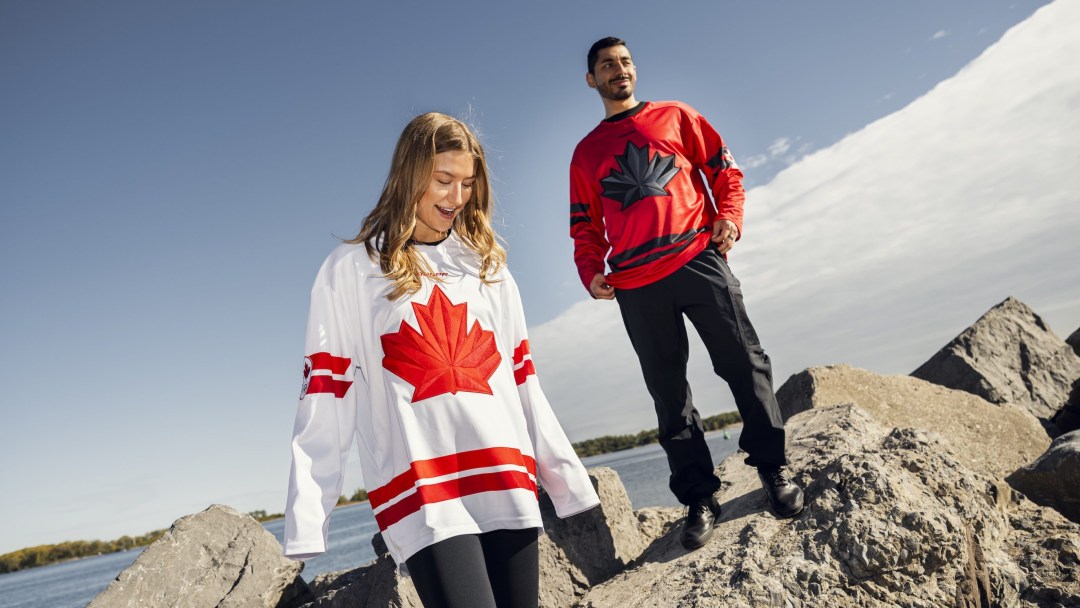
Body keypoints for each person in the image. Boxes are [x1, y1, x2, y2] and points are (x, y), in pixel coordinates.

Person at [285, 112, 600, 608]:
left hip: (504, 474)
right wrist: (308, 513)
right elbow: (327, 394)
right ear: (408, 175)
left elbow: (522, 381)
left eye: (468, 184)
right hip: (423, 492)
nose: (456, 198)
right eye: (443, 180)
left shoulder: (487, 266)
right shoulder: (351, 270)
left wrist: (563, 476)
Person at [569, 37, 804, 551]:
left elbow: (725, 170)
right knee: (669, 393)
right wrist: (590, 271)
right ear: (592, 80)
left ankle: (773, 468)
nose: (619, 70)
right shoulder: (585, 153)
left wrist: (730, 219)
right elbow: (584, 224)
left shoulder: (675, 116)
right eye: (607, 65)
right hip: (634, 281)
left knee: (745, 362)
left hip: (697, 259)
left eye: (626, 61)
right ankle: (699, 497)